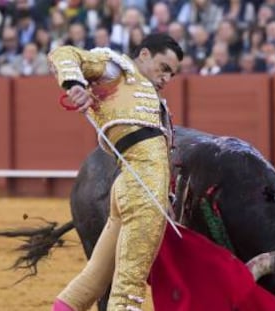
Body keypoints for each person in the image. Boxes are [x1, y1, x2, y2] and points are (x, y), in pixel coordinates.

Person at [48, 33, 183, 311]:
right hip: (141, 188)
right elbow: (63, 54)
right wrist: (74, 84)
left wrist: (164, 199)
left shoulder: (148, 95)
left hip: (131, 189)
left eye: (172, 74)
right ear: (144, 54)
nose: (167, 78)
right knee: (128, 289)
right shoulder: (117, 69)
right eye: (164, 68)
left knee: (94, 279)